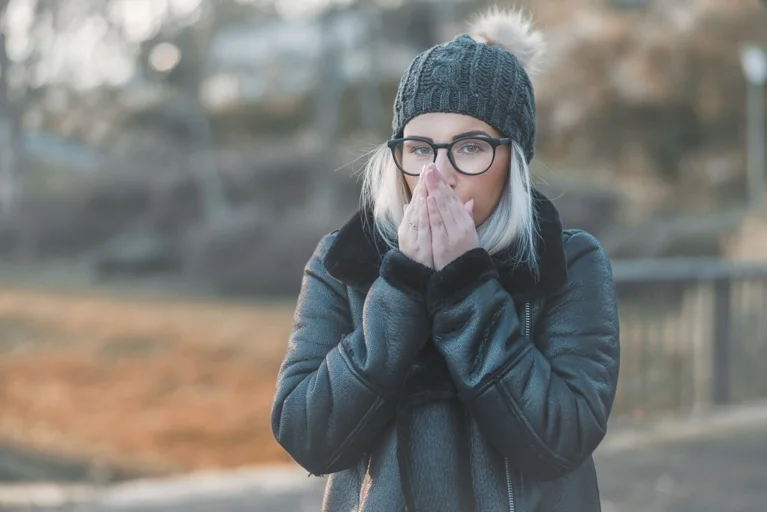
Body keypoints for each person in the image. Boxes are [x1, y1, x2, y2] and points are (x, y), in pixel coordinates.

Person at [271, 6, 620, 512]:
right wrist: (403, 287)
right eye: (419, 149)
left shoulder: (569, 262)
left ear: (513, 159)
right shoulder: (343, 261)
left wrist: (465, 285)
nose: (438, 174)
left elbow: (558, 441)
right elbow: (308, 436)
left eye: (471, 146)